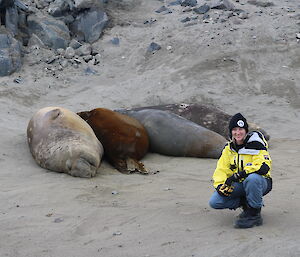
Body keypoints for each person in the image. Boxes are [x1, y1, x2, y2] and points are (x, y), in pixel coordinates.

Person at [209, 113, 272, 228]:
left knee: (252, 179)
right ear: (231, 132)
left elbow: (263, 166)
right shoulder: (228, 149)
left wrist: (239, 175)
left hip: (261, 182)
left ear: (246, 131)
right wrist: (219, 185)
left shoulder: (256, 144)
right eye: (234, 130)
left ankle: (255, 213)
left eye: (241, 129)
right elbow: (221, 169)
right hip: (240, 184)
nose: (238, 133)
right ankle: (246, 202)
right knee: (215, 201)